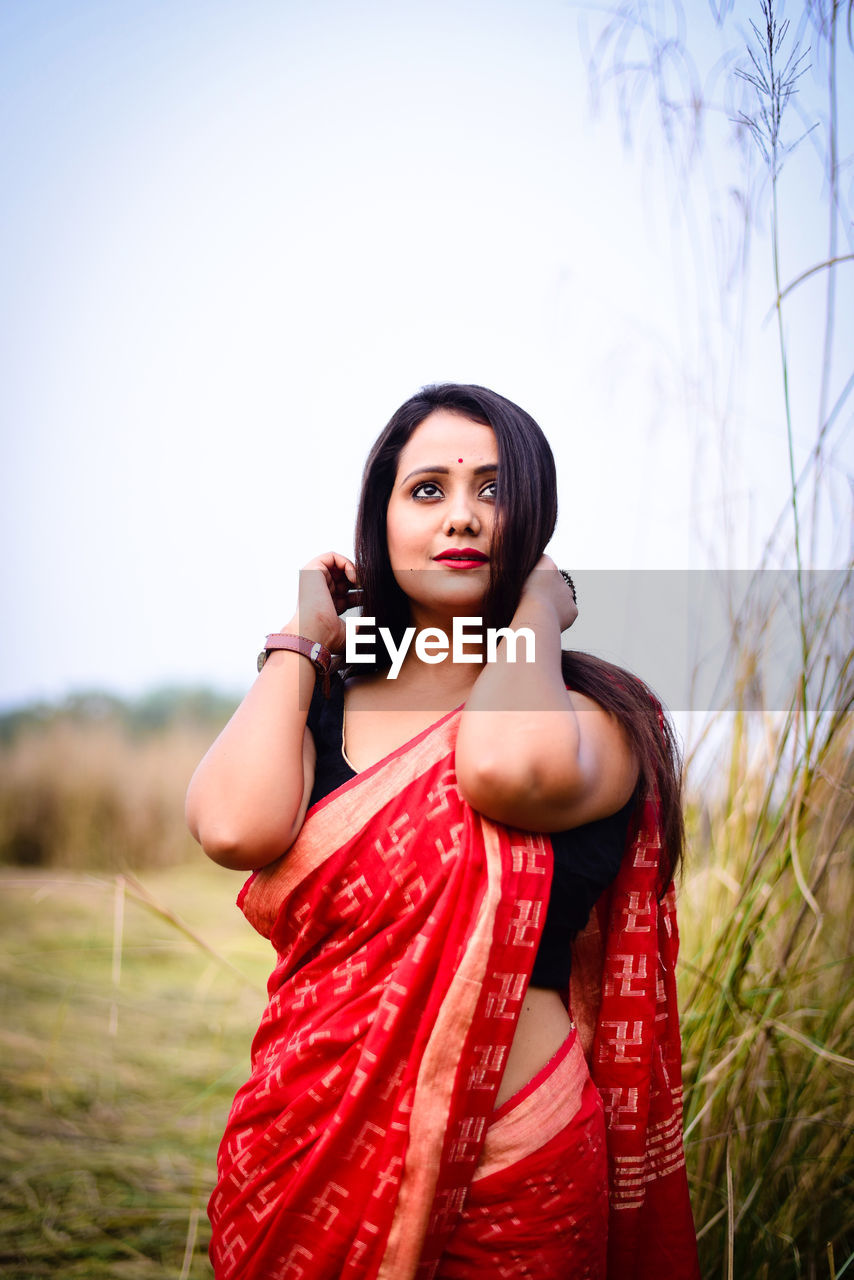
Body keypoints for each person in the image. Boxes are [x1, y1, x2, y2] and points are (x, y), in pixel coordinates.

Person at [186, 383, 700, 1280]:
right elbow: (232, 825)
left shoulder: (597, 715)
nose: (462, 517)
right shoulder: (319, 701)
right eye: (428, 490)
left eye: (495, 491)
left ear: (536, 520)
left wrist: (537, 609)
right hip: (304, 1149)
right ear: (378, 522)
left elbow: (499, 768)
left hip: (517, 1178)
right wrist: (300, 638)